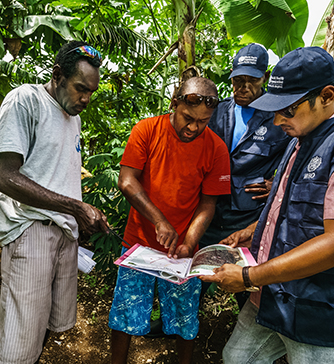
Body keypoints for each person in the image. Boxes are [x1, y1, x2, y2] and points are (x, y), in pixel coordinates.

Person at [201, 47, 334, 364]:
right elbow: (294, 209)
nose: (278, 119)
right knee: (238, 357)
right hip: (275, 297)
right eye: (276, 109)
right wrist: (254, 231)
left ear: (326, 95)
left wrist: (250, 277)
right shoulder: (300, 139)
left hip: (322, 310)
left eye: (289, 110)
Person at [0, 41, 109, 364]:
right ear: (57, 75)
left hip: (63, 235)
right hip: (31, 232)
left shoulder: (74, 118)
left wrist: (80, 220)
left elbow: (58, 175)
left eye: (91, 92)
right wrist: (74, 208)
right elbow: (3, 176)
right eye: (80, 89)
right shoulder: (26, 101)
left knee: (43, 328)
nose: (86, 99)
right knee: (18, 342)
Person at [109, 77, 232, 364]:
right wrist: (159, 221)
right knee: (125, 313)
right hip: (138, 242)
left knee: (184, 317)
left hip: (181, 252)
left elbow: (208, 203)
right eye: (188, 118)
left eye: (203, 121)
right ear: (174, 104)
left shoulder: (216, 149)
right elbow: (127, 181)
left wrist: (189, 242)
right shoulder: (147, 130)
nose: (193, 127)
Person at [198, 43, 290, 307]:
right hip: (211, 206)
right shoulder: (217, 111)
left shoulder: (277, 118)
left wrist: (277, 186)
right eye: (238, 81)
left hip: (248, 214)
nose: (243, 87)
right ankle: (181, 326)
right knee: (200, 270)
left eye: (252, 81)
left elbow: (293, 158)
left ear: (266, 78)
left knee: (245, 278)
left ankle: (248, 331)